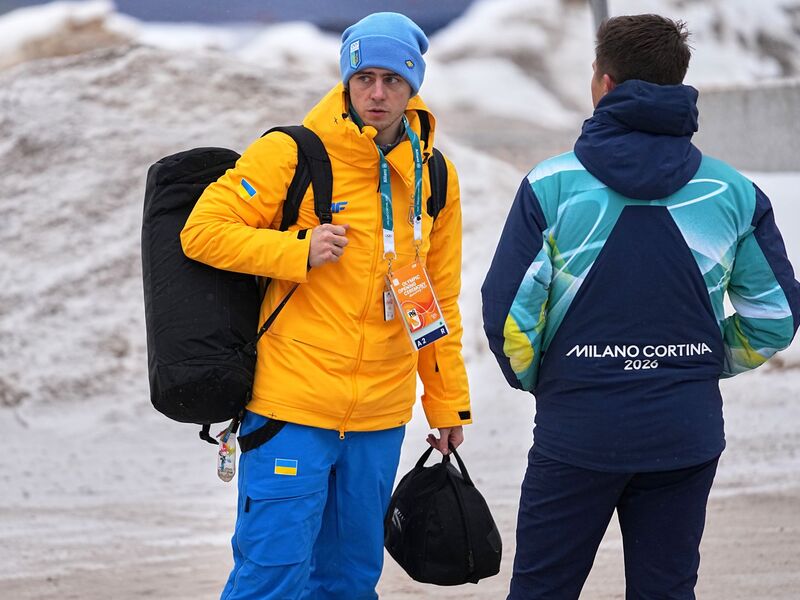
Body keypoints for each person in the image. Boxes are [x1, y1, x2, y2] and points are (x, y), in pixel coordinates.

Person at [481, 14, 800, 600]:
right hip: (684, 431)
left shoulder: (551, 186)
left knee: (542, 590)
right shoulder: (732, 191)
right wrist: (700, 360)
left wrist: (553, 380)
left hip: (577, 432)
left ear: (603, 84)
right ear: (680, 85)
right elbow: (774, 314)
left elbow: (508, 318)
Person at [180, 12, 471, 600]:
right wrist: (295, 250)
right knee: (272, 575)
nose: (378, 92)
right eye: (365, 77)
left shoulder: (434, 176)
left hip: (380, 417)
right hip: (293, 406)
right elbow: (201, 231)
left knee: (349, 578)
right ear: (346, 80)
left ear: (414, 85)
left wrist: (447, 404)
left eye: (393, 79)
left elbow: (437, 298)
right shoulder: (294, 153)